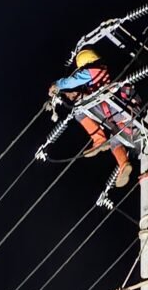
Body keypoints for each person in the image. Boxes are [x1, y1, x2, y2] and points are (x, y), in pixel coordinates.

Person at [48, 48, 138, 187]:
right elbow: (87, 95)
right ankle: (123, 165)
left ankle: (99, 140)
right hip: (123, 119)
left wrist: (58, 84)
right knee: (115, 139)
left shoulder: (95, 70)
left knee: (79, 111)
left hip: (119, 111)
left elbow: (74, 81)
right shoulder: (101, 76)